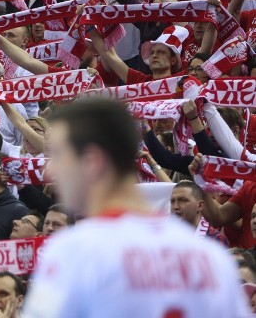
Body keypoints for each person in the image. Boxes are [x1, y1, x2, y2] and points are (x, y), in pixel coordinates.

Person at [24, 97, 249, 317]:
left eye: (59, 156)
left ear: (92, 161)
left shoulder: (73, 252)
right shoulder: (209, 256)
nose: (51, 170)